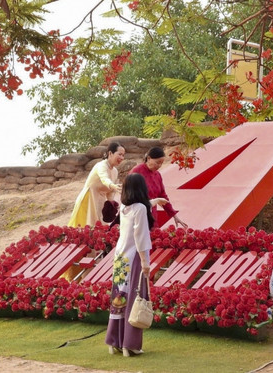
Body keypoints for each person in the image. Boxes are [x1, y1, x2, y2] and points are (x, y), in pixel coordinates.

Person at [105, 173, 154, 357]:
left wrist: (154, 202)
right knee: (135, 299)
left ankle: (114, 341)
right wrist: (145, 262)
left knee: (119, 299)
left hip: (120, 257)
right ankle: (130, 344)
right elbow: (141, 236)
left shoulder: (125, 207)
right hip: (134, 258)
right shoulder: (140, 208)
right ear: (141, 188)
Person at [67, 142, 125, 228]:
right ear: (110, 153)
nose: (122, 158)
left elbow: (110, 192)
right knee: (85, 228)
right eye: (119, 154)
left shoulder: (115, 171)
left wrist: (112, 204)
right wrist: (114, 186)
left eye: (123, 155)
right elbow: (105, 179)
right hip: (88, 199)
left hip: (100, 202)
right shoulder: (101, 165)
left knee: (99, 228)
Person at [129, 146, 188, 228]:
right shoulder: (136, 171)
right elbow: (128, 194)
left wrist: (174, 215)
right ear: (149, 158)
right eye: (157, 162)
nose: (159, 165)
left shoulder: (158, 175)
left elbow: (163, 196)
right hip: (137, 214)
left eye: (161, 163)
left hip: (152, 215)